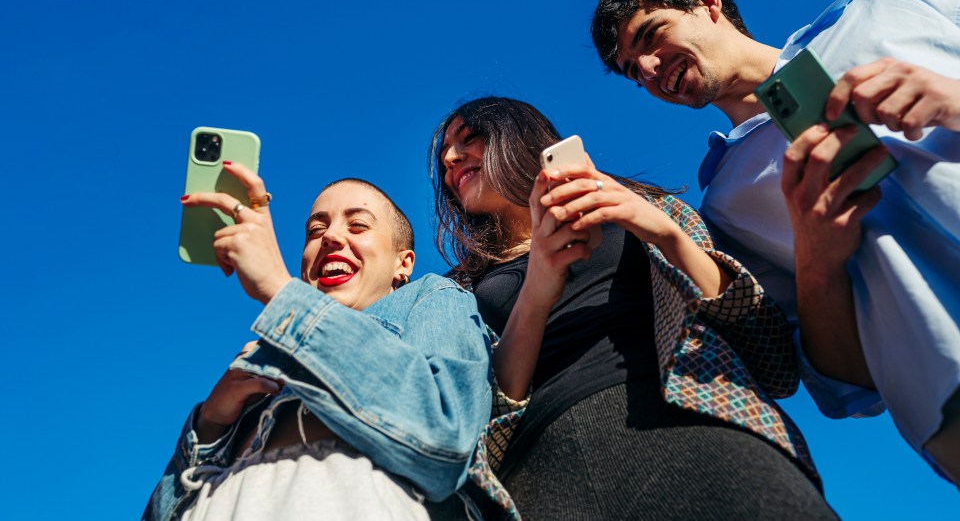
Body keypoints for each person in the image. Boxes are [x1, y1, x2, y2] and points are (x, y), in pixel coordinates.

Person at [591, 0, 960, 481]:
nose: (651, 71)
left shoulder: (892, 4)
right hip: (947, 396)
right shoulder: (724, 211)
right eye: (635, 73)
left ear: (707, 2)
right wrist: (817, 255)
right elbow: (846, 385)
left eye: (651, 36)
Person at [429, 96, 835, 519]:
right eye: (444, 161)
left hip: (699, 423)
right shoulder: (453, 290)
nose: (452, 160)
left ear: (519, 137)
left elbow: (771, 353)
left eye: (469, 139)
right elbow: (478, 408)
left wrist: (665, 234)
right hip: (540, 469)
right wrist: (537, 287)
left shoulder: (645, 208)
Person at [143, 164, 492, 520]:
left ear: (403, 263)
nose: (330, 237)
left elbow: (447, 441)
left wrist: (281, 292)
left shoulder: (431, 296)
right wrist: (210, 425)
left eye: (358, 225)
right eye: (315, 230)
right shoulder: (262, 358)